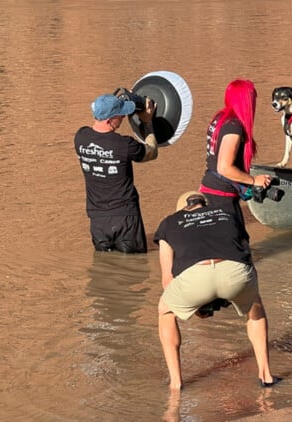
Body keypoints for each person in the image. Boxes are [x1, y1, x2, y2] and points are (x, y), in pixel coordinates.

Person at [154, 191, 278, 390]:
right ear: (206, 204)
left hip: (196, 277)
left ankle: (176, 382)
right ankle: (266, 375)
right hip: (234, 272)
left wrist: (194, 306)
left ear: (181, 209)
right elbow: (248, 259)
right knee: (255, 304)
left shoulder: (168, 223)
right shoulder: (228, 213)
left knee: (165, 311)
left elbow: (167, 281)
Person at [74, 93, 158, 253]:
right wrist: (147, 123)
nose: (124, 117)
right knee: (135, 267)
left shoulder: (80, 137)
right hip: (125, 218)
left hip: (97, 220)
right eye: (120, 115)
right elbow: (152, 152)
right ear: (109, 120)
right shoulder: (124, 145)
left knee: (105, 266)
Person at [198, 79, 272, 238]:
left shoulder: (221, 118)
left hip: (212, 189)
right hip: (221, 194)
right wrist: (254, 180)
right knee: (237, 246)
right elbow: (224, 167)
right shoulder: (234, 127)